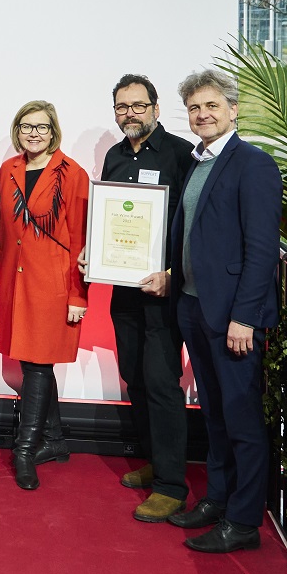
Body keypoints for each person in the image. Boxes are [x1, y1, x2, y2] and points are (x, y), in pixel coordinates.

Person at [157, 68, 282, 554]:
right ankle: (218, 498)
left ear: (233, 109)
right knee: (213, 414)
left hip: (232, 317)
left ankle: (244, 521)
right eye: (194, 108)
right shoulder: (197, 163)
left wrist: (245, 317)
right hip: (192, 306)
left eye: (211, 105)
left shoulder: (252, 164)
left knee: (241, 418)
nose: (202, 114)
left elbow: (260, 249)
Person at [99, 73, 196, 522]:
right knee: (134, 376)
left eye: (138, 106)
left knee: (161, 383)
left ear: (155, 108)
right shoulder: (115, 158)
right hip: (124, 289)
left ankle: (172, 486)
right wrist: (94, 252)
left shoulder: (180, 154)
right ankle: (156, 460)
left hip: (163, 293)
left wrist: (172, 275)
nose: (130, 114)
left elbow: (190, 224)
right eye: (122, 107)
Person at [0, 100, 90, 491]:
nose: (34, 133)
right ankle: (56, 441)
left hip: (52, 284)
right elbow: (0, 231)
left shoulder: (72, 173)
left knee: (37, 363)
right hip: (15, 281)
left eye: (42, 127)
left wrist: (78, 296)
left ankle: (24, 449)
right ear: (18, 131)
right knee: (34, 360)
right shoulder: (8, 170)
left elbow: (81, 239)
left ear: (54, 132)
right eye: (26, 127)